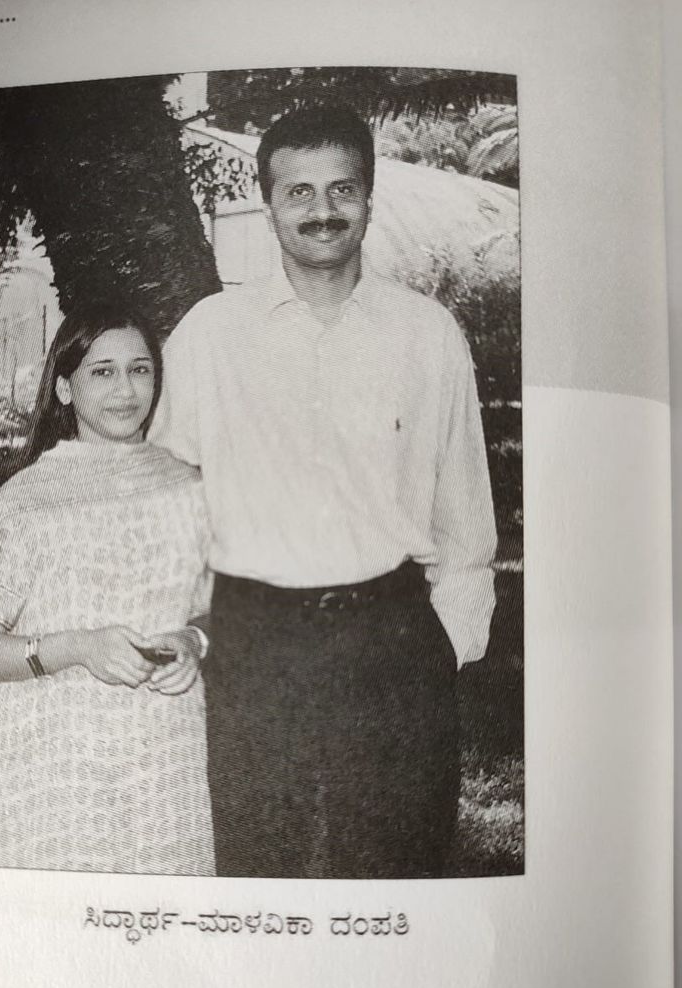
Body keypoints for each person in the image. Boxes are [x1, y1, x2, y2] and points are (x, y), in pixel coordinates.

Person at [149, 104, 498, 879]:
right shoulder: (210, 335)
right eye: (299, 192)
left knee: (396, 871)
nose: (323, 211)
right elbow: (158, 498)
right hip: (251, 642)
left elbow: (466, 512)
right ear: (267, 203)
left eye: (343, 189)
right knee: (256, 867)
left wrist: (443, 644)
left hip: (393, 639)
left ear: (369, 199)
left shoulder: (427, 333)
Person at [0, 303, 214, 874]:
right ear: (66, 388)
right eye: (103, 371)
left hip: (166, 766)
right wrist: (78, 646)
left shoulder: (188, 486)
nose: (126, 390)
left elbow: (214, 611)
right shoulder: (30, 498)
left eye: (140, 369)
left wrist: (193, 643)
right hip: (58, 768)